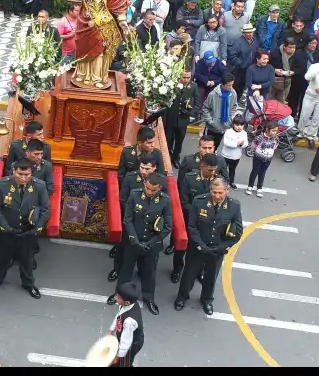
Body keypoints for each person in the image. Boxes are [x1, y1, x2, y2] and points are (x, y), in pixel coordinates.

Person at [174, 177, 242, 316]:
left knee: (211, 277)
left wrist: (221, 247)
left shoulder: (234, 206)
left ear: (227, 191)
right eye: (214, 192)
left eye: (220, 193)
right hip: (198, 248)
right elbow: (192, 226)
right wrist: (201, 245)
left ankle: (207, 300)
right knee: (189, 275)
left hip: (217, 250)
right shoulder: (199, 201)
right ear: (210, 190)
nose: (217, 196)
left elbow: (237, 231)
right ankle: (182, 297)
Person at [109, 173, 172, 315]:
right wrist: (134, 239)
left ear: (159, 188)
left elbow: (168, 226)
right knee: (126, 271)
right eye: (147, 188)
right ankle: (118, 294)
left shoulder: (165, 201)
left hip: (152, 244)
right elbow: (128, 219)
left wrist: (151, 242)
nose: (149, 192)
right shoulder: (135, 194)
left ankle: (149, 298)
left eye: (153, 190)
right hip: (133, 241)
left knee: (149, 272)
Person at [0, 159, 50, 299]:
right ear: (14, 171)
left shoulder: (39, 186)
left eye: (27, 174)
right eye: (20, 174)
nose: (23, 178)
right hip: (7, 231)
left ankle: (28, 284)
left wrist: (37, 228)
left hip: (28, 232)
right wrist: (6, 227)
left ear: (31, 173)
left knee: (27, 259)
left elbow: (45, 210)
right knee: (1, 258)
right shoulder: (2, 184)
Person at [106, 281, 145, 367]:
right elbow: (118, 315)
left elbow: (126, 342)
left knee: (125, 363)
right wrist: (112, 330)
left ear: (127, 302)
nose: (116, 298)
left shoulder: (129, 321)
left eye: (118, 297)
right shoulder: (128, 304)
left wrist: (118, 356)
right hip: (125, 339)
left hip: (131, 345)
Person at [164, 72, 195, 168]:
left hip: (183, 120)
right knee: (168, 140)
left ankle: (175, 158)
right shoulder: (172, 85)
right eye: (184, 77)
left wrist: (191, 114)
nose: (186, 80)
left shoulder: (193, 87)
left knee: (179, 141)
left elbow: (197, 103)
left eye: (188, 77)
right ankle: (167, 157)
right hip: (171, 118)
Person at [245, 121, 280, 198]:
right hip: (258, 158)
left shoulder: (276, 139)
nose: (275, 132)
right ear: (267, 129)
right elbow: (253, 146)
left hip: (268, 160)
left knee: (262, 173)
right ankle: (250, 186)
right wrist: (259, 152)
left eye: (276, 131)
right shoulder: (259, 137)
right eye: (273, 130)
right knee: (255, 172)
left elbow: (275, 146)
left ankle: (259, 188)